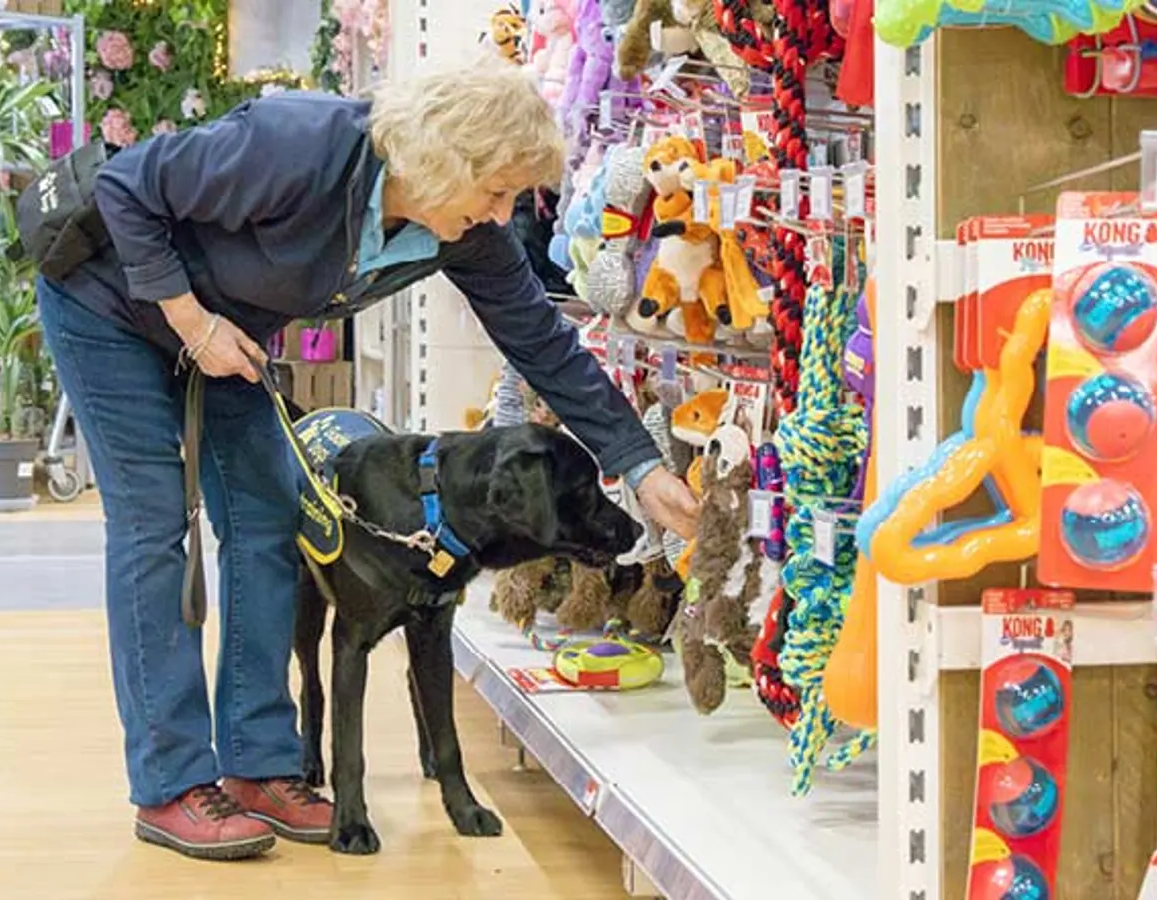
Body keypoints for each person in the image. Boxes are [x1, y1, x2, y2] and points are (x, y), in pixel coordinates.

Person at [34, 59, 701, 862]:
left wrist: (639, 465)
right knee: (152, 528)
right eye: (493, 190)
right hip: (109, 302)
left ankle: (257, 765)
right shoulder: (298, 145)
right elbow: (130, 186)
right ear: (443, 159)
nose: (501, 213)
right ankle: (171, 782)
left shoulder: (465, 232)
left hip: (226, 331)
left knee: (271, 519)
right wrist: (188, 319)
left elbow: (541, 340)